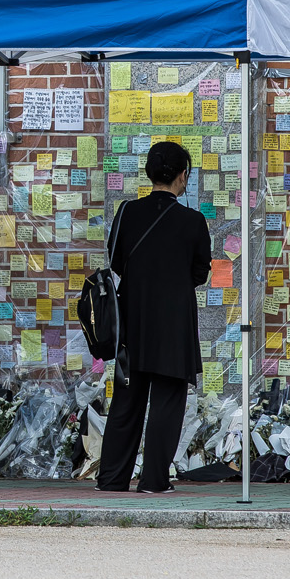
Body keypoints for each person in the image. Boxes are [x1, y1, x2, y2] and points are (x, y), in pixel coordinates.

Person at [96, 140, 212, 494]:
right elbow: (200, 274)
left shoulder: (127, 212)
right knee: (167, 402)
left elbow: (115, 261)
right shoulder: (193, 221)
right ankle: (154, 481)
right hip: (173, 325)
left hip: (133, 321)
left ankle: (113, 478)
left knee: (126, 401)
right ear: (183, 176)